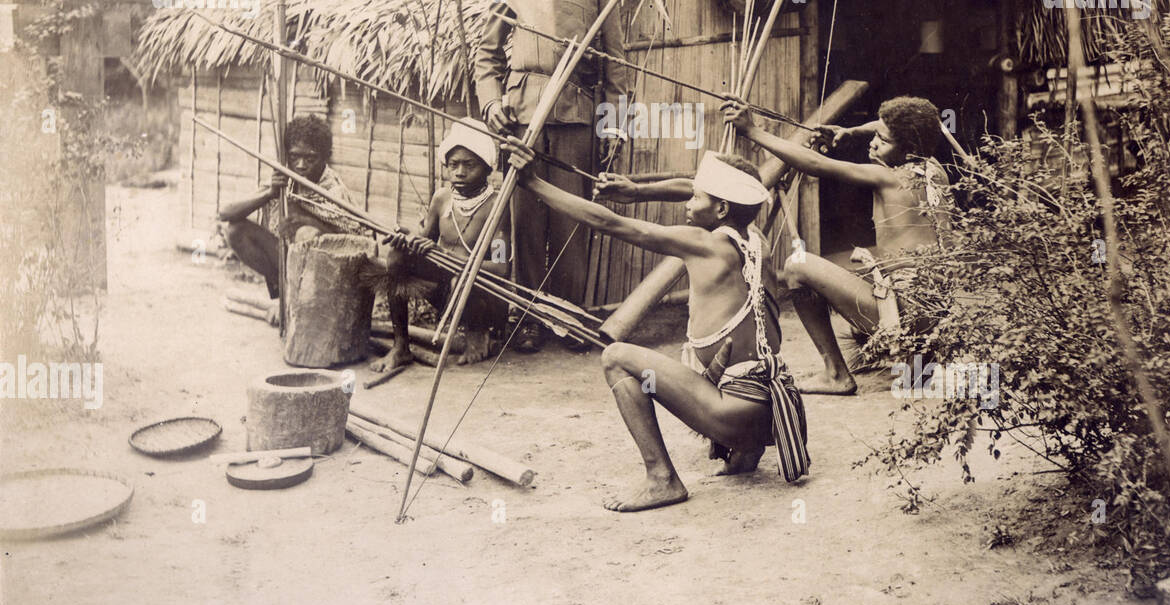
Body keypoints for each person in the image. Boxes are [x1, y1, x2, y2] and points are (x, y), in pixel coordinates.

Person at [506, 140, 809, 511]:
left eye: (695, 198)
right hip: (773, 416)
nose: (686, 202)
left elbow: (607, 221)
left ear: (721, 208)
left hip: (731, 414)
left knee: (616, 357)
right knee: (730, 365)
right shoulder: (756, 240)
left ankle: (661, 479)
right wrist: (638, 192)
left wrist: (533, 183)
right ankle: (746, 452)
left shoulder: (702, 243)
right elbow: (692, 186)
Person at [474, 0, 629, 350]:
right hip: (521, 118)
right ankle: (525, 321)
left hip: (574, 116)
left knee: (571, 219)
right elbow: (485, 55)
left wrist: (614, 129)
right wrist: (491, 103)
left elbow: (617, 69)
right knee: (524, 219)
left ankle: (568, 319)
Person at [721, 96, 950, 396]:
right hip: (935, 318)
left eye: (883, 140)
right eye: (875, 135)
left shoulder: (887, 176)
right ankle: (919, 366)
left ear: (908, 149)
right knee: (876, 276)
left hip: (905, 317)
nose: (874, 143)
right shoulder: (935, 171)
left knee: (797, 266)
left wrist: (752, 131)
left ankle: (836, 375)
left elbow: (816, 164)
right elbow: (885, 128)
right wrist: (852, 131)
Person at [372, 121, 509, 372]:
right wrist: (409, 240)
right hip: (445, 291)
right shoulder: (441, 198)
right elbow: (426, 243)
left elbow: (500, 269)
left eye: (470, 165)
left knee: (460, 280)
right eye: (453, 164)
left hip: (480, 297)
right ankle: (401, 346)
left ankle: (478, 333)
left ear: (488, 167)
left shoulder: (497, 205)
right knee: (397, 257)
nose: (459, 172)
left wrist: (447, 257)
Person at [219, 114, 354, 303]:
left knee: (306, 233)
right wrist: (268, 194)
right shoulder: (285, 179)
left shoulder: (334, 191)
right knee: (235, 231)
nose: (300, 165)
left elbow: (352, 243)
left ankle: (301, 302)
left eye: (310, 158)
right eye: (294, 157)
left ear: (326, 157)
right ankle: (285, 294)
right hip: (289, 261)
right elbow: (225, 213)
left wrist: (309, 222)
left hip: (328, 274)